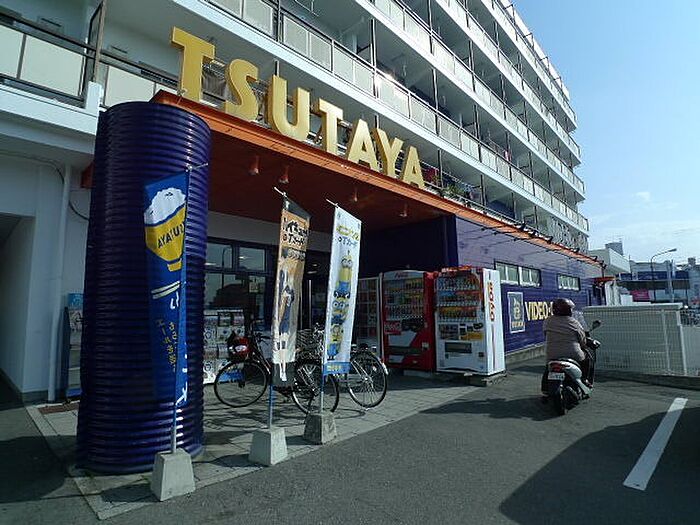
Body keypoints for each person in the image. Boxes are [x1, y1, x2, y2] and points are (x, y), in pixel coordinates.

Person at [541, 298, 592, 394]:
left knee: (548, 367)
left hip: (552, 354)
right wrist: (584, 345)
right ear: (567, 310)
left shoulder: (548, 321)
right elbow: (582, 339)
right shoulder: (573, 322)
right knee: (586, 359)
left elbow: (545, 334)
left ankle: (545, 388)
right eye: (570, 309)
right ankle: (584, 380)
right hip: (573, 354)